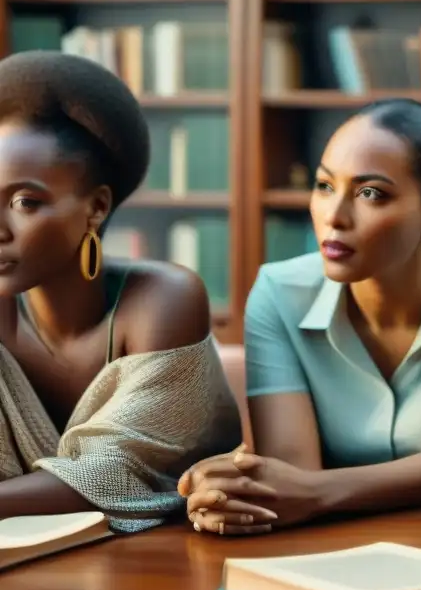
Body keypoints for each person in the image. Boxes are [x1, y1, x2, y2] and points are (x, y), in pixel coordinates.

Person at [179, 97, 421, 535]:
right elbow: (291, 475)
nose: (334, 216)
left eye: (369, 193)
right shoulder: (278, 293)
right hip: (323, 547)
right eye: (323, 186)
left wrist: (315, 493)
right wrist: (228, 494)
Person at [0, 50, 241, 531]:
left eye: (25, 202)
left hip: (166, 572)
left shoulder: (163, 301)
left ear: (96, 207)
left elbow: (113, 474)